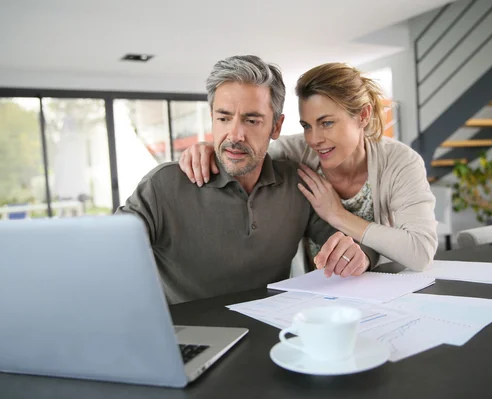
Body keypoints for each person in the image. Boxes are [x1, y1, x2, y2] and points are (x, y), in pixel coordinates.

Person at [117, 55, 378, 304]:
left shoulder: (296, 184)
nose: (235, 134)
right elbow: (105, 252)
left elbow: (351, 243)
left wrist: (356, 255)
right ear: (212, 119)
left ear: (276, 126)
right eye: (223, 118)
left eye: (251, 120)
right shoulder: (164, 185)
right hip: (185, 340)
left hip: (271, 333)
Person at [179, 62, 437, 272]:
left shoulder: (400, 162)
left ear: (363, 115)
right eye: (307, 126)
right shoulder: (295, 154)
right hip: (316, 293)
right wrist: (209, 147)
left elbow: (420, 252)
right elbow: (245, 150)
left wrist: (338, 215)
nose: (314, 140)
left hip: (387, 288)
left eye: (326, 123)